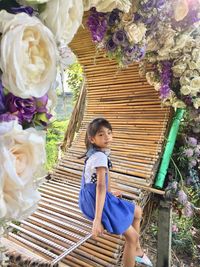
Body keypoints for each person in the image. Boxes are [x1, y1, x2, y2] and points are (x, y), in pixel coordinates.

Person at [79, 118, 153, 267]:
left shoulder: (98, 153)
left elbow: (103, 179)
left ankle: (137, 251)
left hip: (90, 198)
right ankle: (134, 248)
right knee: (132, 237)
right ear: (92, 139)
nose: (106, 137)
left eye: (109, 132)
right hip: (96, 203)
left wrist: (110, 191)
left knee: (137, 211)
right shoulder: (99, 156)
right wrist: (97, 220)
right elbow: (99, 186)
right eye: (101, 134)